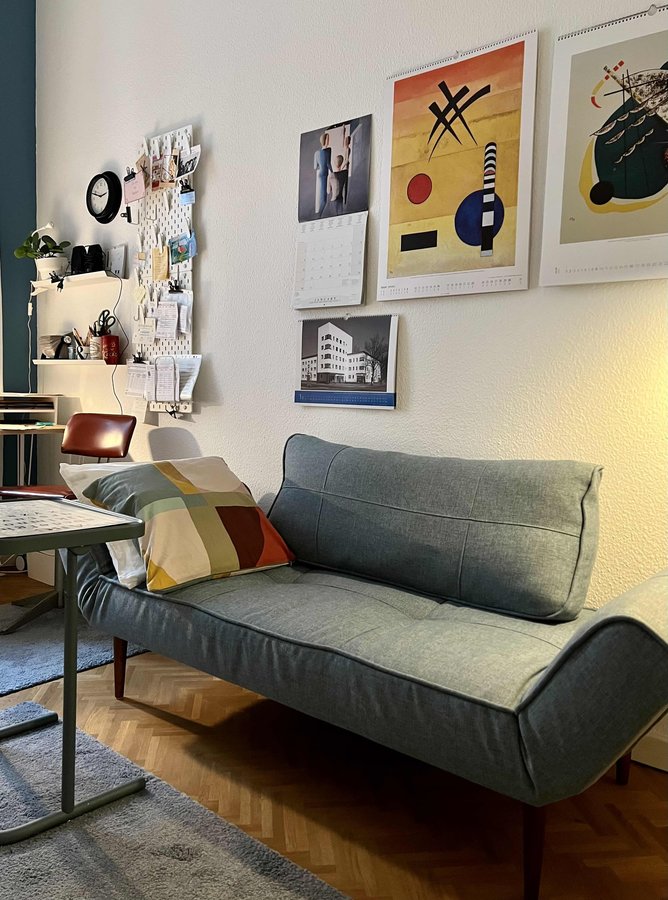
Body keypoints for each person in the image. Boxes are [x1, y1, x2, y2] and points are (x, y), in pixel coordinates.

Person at [313, 133, 332, 216]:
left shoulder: (317, 153)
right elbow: (328, 164)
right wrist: (333, 173)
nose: (328, 141)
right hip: (324, 175)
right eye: (327, 139)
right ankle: (319, 215)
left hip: (320, 175)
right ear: (324, 140)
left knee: (321, 195)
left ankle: (319, 213)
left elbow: (315, 167)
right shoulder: (328, 152)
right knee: (324, 199)